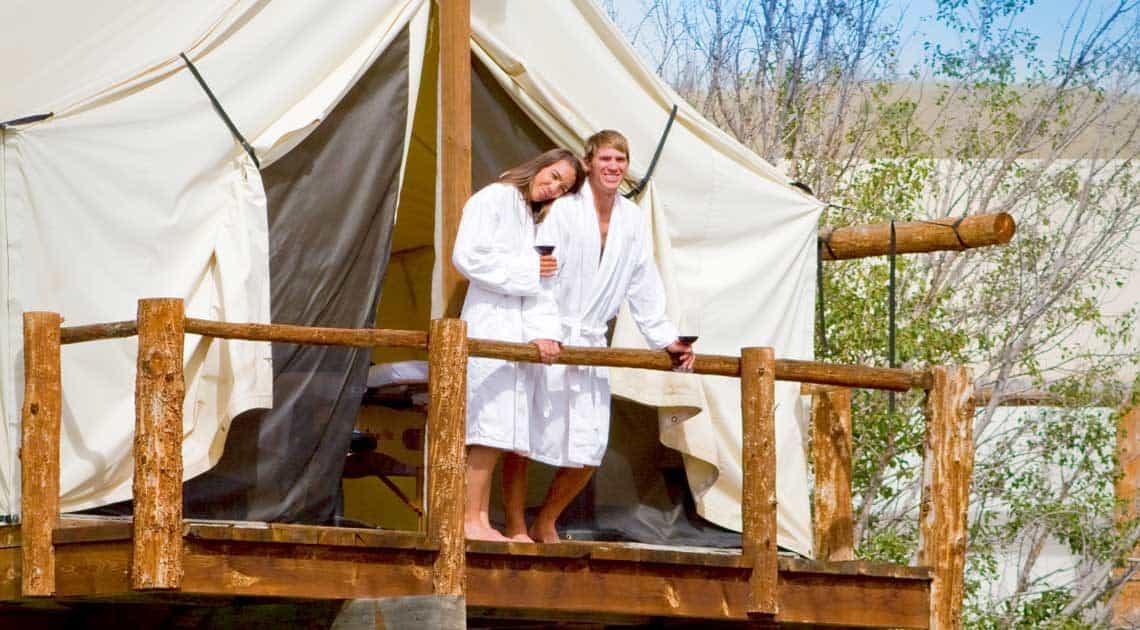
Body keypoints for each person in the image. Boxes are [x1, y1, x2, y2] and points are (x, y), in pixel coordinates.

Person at [502, 130, 695, 543]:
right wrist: (541, 331)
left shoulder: (631, 218)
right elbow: (541, 271)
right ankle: (517, 525)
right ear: (589, 163)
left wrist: (665, 338)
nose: (613, 167)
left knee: (590, 443)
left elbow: (644, 282)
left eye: (620, 160)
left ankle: (547, 520)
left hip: (591, 342)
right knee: (524, 434)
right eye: (605, 159)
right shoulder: (563, 211)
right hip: (550, 331)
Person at [452, 148, 585, 542]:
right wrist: (528, 268)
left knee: (498, 429)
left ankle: (477, 517)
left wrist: (544, 333)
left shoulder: (532, 219)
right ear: (541, 165)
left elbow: (542, 287)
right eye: (555, 175)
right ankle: (467, 519)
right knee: (484, 426)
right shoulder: (493, 198)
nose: (555, 187)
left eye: (564, 186)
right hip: (490, 321)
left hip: (515, 329)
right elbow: (467, 257)